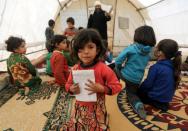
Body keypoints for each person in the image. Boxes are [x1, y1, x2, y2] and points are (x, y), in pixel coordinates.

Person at [64, 29, 122, 130]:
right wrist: (71, 89)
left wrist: (103, 89)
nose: (86, 52)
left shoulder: (103, 69)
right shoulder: (75, 69)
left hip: (97, 107)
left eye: (90, 47)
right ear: (76, 51)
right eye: (81, 48)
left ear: (98, 49)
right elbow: (67, 85)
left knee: (97, 126)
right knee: (78, 124)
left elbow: (117, 86)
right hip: (79, 106)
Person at [115, 25, 156, 119]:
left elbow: (118, 60)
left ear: (137, 36)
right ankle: (138, 105)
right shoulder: (150, 51)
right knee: (132, 93)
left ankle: (115, 85)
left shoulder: (132, 48)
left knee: (114, 68)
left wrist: (119, 67)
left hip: (125, 76)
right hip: (137, 79)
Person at [138, 39, 182, 111]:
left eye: (156, 47)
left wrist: (139, 89)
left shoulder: (156, 67)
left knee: (134, 92)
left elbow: (147, 85)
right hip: (166, 100)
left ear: (160, 53)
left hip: (155, 99)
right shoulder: (174, 66)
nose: (154, 48)